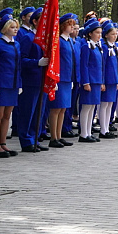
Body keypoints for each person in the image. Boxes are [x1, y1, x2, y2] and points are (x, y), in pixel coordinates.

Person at [16, 6, 50, 153]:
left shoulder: (46, 39)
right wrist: (36, 62)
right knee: (27, 111)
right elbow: (21, 60)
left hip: (42, 80)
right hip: (30, 80)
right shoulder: (28, 38)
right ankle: (26, 140)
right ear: (35, 21)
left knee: (39, 112)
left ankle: (34, 138)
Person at [0, 16, 21, 158]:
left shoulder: (17, 44)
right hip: (2, 83)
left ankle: (3, 143)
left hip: (13, 84)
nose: (15, 30)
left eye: (16, 28)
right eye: (12, 27)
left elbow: (18, 66)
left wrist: (19, 83)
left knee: (7, 115)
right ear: (4, 28)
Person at [47, 13, 78, 149]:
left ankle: (59, 136)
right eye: (70, 24)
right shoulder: (58, 40)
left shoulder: (69, 40)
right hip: (59, 78)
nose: (72, 27)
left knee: (63, 109)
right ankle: (53, 136)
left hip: (67, 78)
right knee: (56, 108)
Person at [76, 19, 103, 143]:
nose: (99, 35)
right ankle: (83, 133)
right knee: (86, 107)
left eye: (100, 33)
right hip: (90, 81)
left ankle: (88, 132)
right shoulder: (86, 47)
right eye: (97, 32)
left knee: (92, 107)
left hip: (96, 81)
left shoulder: (97, 46)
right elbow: (84, 65)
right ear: (90, 33)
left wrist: (101, 81)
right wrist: (85, 82)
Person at [98, 21, 118, 139]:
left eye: (116, 34)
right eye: (112, 34)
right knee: (104, 104)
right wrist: (102, 81)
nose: (115, 36)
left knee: (109, 105)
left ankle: (106, 127)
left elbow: (117, 65)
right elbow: (102, 65)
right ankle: (103, 129)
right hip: (106, 80)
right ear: (106, 35)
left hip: (113, 81)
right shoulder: (104, 46)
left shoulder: (114, 46)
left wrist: (117, 80)